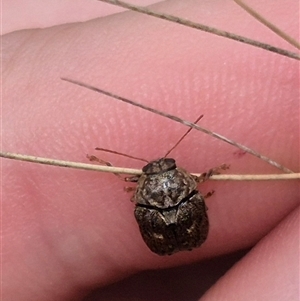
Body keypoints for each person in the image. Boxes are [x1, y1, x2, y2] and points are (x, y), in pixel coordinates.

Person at [2, 1, 299, 300]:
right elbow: (198, 183)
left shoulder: (147, 193)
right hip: (180, 218)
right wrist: (214, 173)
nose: (159, 165)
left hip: (165, 223)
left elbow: (137, 185)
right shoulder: (184, 186)